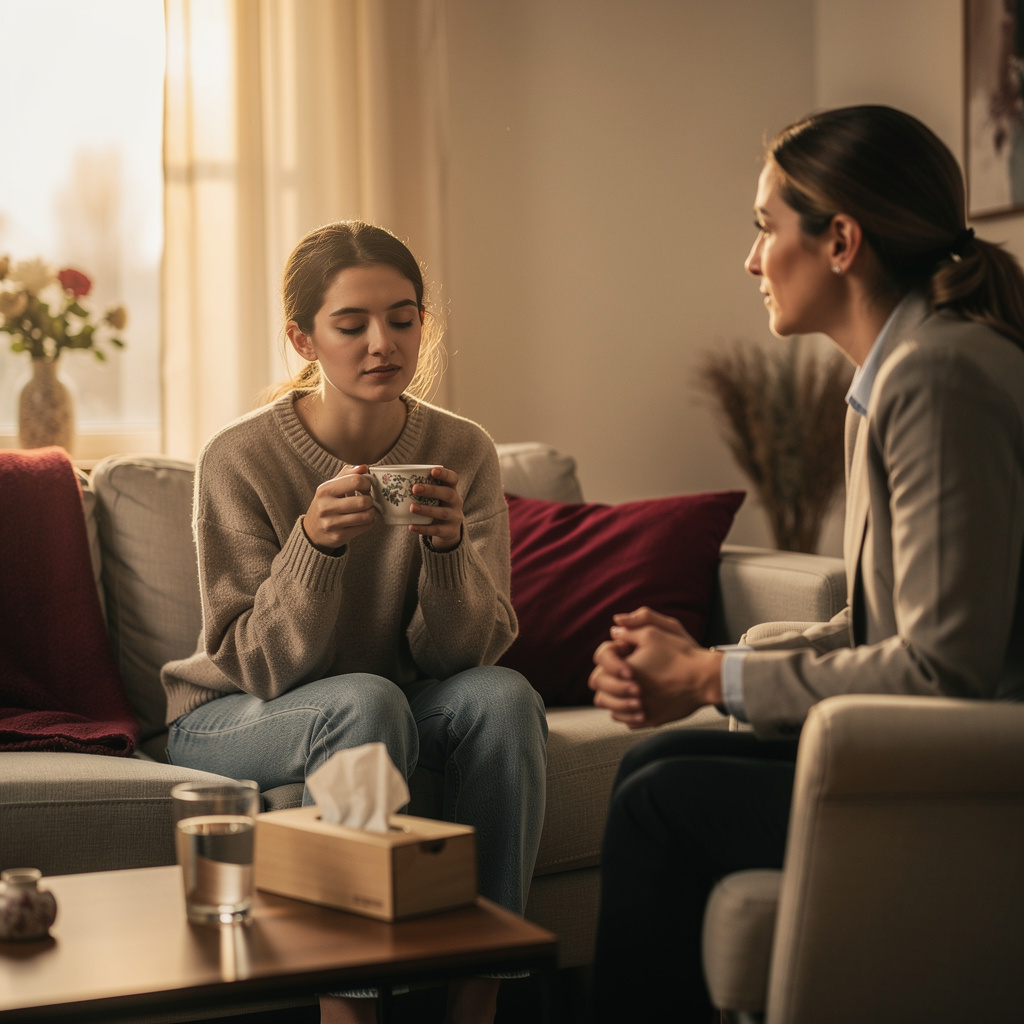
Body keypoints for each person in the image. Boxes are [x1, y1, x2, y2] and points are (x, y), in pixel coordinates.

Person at [588, 104, 1024, 1023]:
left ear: (840, 241)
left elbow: (945, 667)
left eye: (764, 229)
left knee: (661, 799)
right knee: (651, 772)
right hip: (930, 752)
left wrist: (714, 675)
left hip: (974, 771)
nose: (751, 261)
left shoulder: (939, 377)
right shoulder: (894, 378)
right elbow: (882, 621)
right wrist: (713, 661)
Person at [161, 221, 548, 1024]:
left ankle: (480, 993)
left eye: (404, 319)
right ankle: (352, 1009)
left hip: (394, 693)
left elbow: (466, 656)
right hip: (231, 713)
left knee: (503, 697)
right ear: (303, 336)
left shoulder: (462, 451)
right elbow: (258, 665)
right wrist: (311, 547)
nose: (384, 343)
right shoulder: (239, 457)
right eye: (353, 324)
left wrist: (446, 550)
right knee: (364, 700)